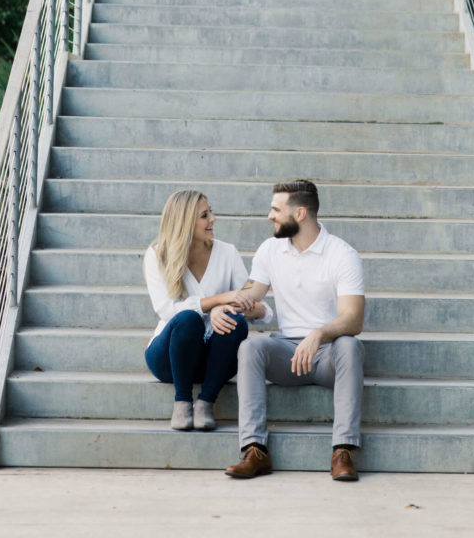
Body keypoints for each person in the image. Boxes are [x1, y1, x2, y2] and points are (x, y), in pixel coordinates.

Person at [225, 179, 365, 481]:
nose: (270, 216)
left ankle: (343, 451)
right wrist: (227, 306)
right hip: (287, 354)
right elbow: (250, 293)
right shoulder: (269, 250)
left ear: (300, 213)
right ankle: (254, 450)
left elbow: (353, 319)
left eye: (276, 209)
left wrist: (318, 334)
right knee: (250, 346)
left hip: (328, 355)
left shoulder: (342, 254)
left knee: (350, 346)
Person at [143, 188, 272, 431]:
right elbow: (166, 310)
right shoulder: (157, 254)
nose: (213, 219)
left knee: (235, 320)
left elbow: (253, 302)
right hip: (170, 357)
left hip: (214, 360)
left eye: (210, 212)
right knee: (188, 319)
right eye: (205, 215)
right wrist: (216, 302)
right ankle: (182, 402)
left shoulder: (227, 252)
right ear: (184, 221)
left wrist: (246, 308)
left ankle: (205, 403)